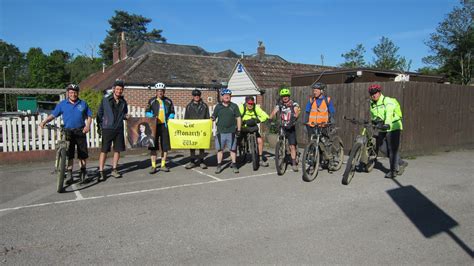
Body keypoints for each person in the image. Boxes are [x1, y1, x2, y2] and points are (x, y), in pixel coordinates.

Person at [39, 84, 92, 184]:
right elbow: (53, 115)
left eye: (75, 92)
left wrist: (88, 126)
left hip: (80, 131)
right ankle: (69, 174)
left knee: (82, 154)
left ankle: (83, 172)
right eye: (71, 92)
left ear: (78, 93)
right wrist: (44, 121)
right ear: (68, 93)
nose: (73, 94)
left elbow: (89, 116)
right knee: (69, 154)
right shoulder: (62, 104)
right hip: (68, 131)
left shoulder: (83, 104)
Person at [368, 84, 408, 178]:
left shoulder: (387, 101)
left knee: (392, 149)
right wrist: (374, 122)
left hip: (393, 126)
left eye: (375, 93)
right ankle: (401, 163)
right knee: (382, 148)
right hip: (383, 128)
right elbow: (374, 116)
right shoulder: (372, 104)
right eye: (371, 93)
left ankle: (393, 171)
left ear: (379, 92)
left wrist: (387, 123)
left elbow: (389, 112)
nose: (373, 95)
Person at [96, 79, 129, 181]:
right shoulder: (106, 99)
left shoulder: (123, 102)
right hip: (107, 128)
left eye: (121, 89)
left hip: (118, 128)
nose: (119, 91)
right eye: (118, 89)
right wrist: (101, 125)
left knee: (117, 150)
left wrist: (126, 116)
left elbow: (124, 114)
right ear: (114, 89)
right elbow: (99, 114)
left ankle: (114, 169)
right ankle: (101, 171)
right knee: (104, 150)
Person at [146, 82, 175, 174]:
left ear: (164, 91)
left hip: (164, 126)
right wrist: (152, 116)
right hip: (154, 126)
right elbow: (147, 112)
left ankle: (163, 164)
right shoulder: (151, 101)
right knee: (153, 146)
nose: (160, 92)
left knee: (165, 146)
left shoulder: (168, 101)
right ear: (156, 91)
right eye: (158, 91)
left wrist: (170, 117)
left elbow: (172, 112)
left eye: (162, 91)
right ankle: (153, 166)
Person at [269, 87, 301, 172]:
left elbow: (296, 112)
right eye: (283, 96)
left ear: (289, 96)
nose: (285, 97)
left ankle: (294, 163)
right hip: (283, 126)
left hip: (290, 127)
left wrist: (293, 119)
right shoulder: (279, 104)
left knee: (292, 146)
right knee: (280, 140)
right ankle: (281, 150)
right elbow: (273, 112)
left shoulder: (294, 104)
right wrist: (270, 118)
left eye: (286, 95)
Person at [211, 88, 242, 174]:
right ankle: (219, 165)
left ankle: (234, 165)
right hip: (220, 132)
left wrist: (239, 130)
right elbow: (214, 116)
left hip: (231, 131)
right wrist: (212, 118)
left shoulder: (234, 106)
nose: (227, 96)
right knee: (220, 150)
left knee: (233, 149)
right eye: (225, 95)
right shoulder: (218, 106)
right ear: (222, 97)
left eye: (228, 95)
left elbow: (238, 118)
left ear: (230, 96)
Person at [238, 95, 270, 166]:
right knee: (238, 140)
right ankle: (237, 157)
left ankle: (260, 159)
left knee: (260, 141)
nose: (250, 105)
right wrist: (241, 121)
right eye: (249, 103)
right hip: (244, 128)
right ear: (246, 103)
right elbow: (236, 116)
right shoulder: (241, 108)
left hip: (253, 127)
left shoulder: (256, 108)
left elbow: (264, 115)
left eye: (252, 103)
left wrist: (258, 120)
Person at [184, 89, 210, 169]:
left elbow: (207, 117)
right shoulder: (189, 106)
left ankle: (202, 161)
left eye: (198, 95)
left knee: (201, 145)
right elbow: (186, 118)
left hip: (201, 129)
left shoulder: (204, 106)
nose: (196, 97)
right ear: (193, 96)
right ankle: (192, 161)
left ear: (200, 96)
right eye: (195, 95)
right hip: (192, 129)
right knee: (192, 145)